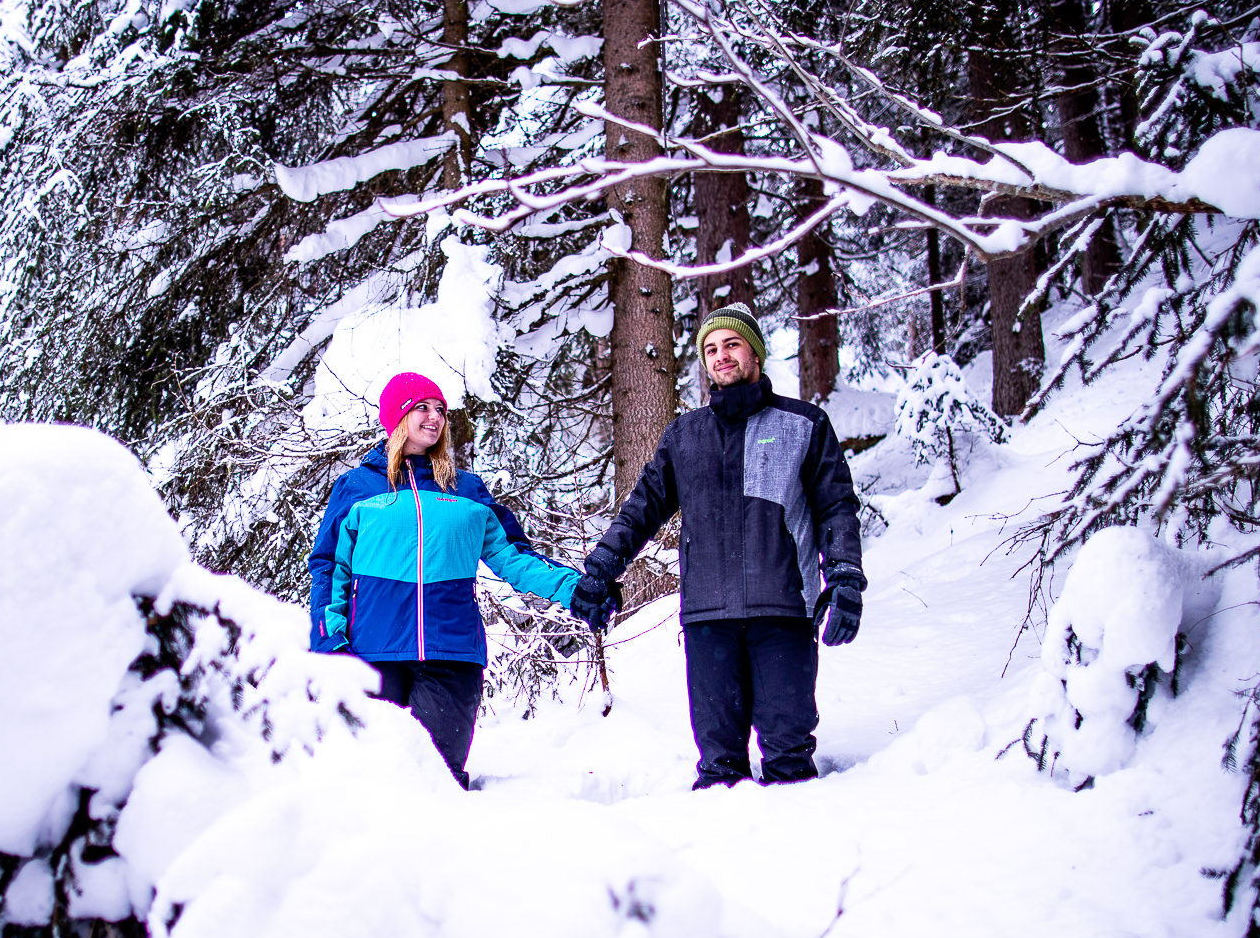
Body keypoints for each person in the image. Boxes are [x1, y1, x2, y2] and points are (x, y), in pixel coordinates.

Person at [569, 305, 865, 788]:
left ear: (755, 352)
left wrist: (846, 577)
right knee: (719, 763)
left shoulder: (804, 424)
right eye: (710, 349)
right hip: (708, 618)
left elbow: (836, 507)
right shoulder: (685, 435)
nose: (721, 355)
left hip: (784, 611)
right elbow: (641, 509)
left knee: (789, 754)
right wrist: (601, 568)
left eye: (731, 344)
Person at [309, 372, 582, 787]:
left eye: (440, 409)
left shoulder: (466, 490)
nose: (434, 417)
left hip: (451, 657)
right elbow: (330, 568)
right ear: (397, 417)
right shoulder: (358, 487)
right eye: (422, 407)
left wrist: (577, 590)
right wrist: (328, 641)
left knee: (440, 783)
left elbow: (514, 558)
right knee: (371, 783)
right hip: (372, 655)